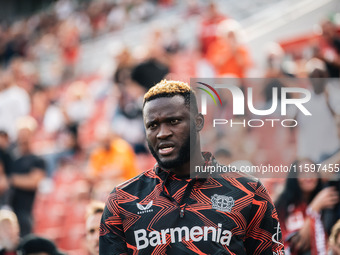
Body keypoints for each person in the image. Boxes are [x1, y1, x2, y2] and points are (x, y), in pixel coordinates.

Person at [100, 80, 284, 254]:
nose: (162, 133)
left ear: (198, 122)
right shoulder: (122, 201)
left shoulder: (248, 191)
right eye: (153, 125)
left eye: (173, 121)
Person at [275, 158, 339, 255]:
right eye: (303, 173)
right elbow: (299, 243)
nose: (308, 176)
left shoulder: (324, 196)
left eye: (312, 171)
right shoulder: (288, 206)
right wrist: (314, 207)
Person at [8, 116, 46, 237]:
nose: (23, 137)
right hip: (9, 207)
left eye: (26, 134)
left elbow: (33, 182)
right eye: (21, 134)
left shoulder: (37, 160)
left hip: (25, 209)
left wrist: (10, 180)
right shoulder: (11, 157)